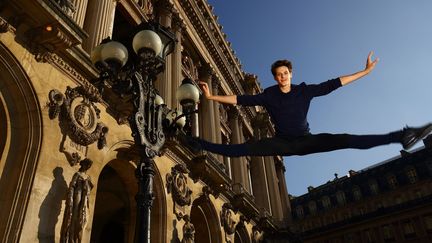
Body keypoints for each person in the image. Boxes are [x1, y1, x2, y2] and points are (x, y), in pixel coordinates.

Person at [184, 52, 432, 157]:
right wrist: (211, 97)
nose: (282, 77)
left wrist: (364, 72)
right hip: (282, 143)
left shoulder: (305, 91)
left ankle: (404, 136)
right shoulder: (269, 95)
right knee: (243, 150)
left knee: (347, 139)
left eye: (285, 73)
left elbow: (334, 83)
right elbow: (241, 99)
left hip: (306, 140)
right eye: (278, 74)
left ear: (291, 73)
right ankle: (198, 143)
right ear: (275, 78)